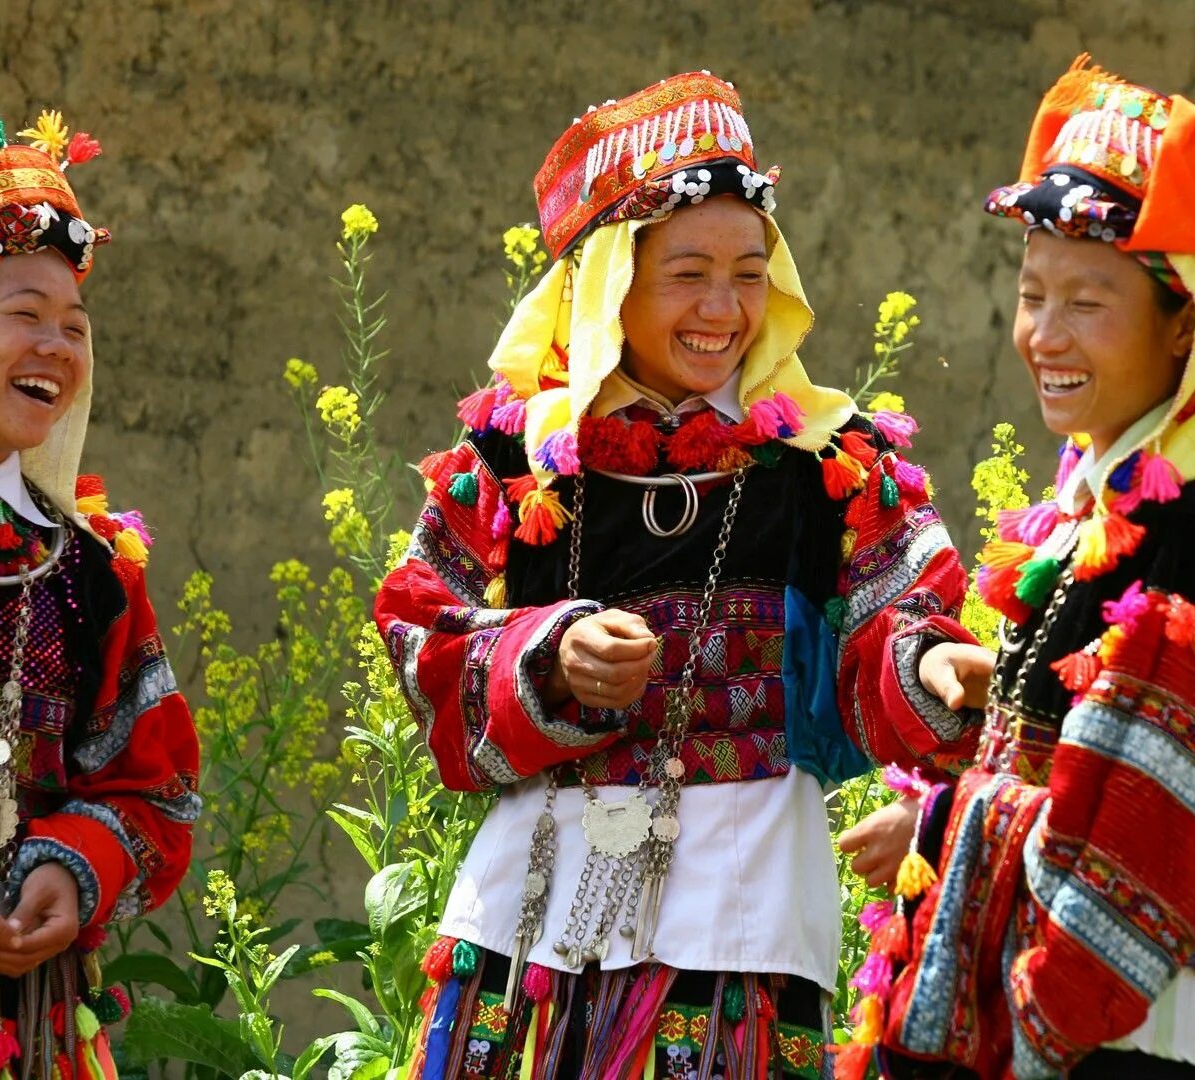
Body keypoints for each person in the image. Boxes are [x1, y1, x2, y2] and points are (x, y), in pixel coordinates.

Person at [376, 72, 980, 1080]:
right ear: (612, 281)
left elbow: (901, 611)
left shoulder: (832, 463)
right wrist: (548, 656)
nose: (723, 308)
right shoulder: (516, 459)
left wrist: (935, 669)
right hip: (534, 928)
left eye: (749, 274)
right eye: (687, 273)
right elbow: (417, 633)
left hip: (741, 924)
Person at [837, 57, 1195, 1078]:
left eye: (1087, 302)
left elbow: (1134, 866)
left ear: (1186, 328)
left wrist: (945, 819)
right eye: (1032, 295)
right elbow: (1082, 763)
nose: (1044, 336)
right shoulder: (1113, 506)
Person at [0, 114, 200, 1077]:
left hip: (26, 1030)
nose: (59, 347)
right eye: (25, 313)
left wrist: (75, 869)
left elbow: (154, 789)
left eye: (76, 327)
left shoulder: (87, 574)